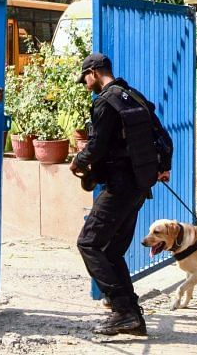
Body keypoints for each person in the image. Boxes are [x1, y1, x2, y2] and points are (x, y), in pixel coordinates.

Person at [69, 53, 170, 336]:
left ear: (94, 72)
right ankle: (132, 316)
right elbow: (161, 134)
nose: (85, 84)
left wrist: (79, 160)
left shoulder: (104, 102)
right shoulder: (132, 95)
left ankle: (123, 311)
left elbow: (98, 145)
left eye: (85, 78)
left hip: (120, 186)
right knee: (111, 250)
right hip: (139, 185)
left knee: (88, 243)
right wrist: (163, 167)